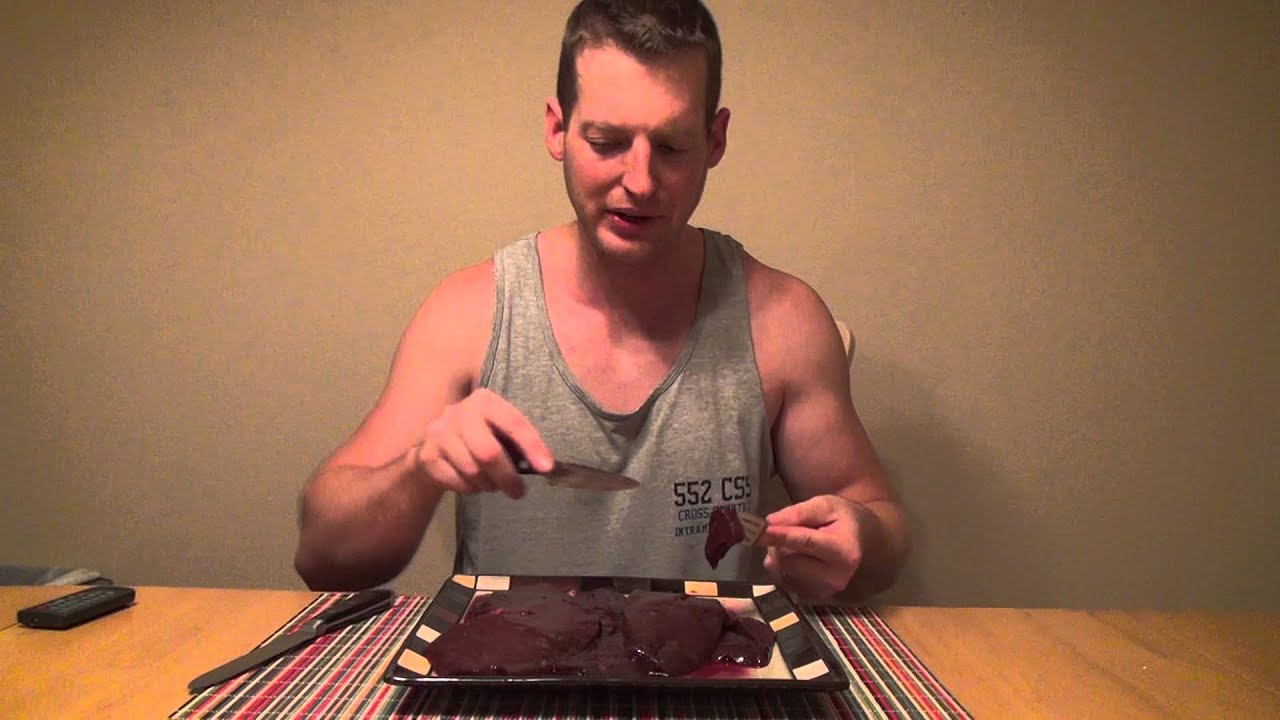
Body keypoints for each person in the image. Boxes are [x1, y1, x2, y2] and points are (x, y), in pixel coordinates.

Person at [294, 0, 908, 603]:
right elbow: (322, 556)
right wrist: (419, 470)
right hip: (505, 663)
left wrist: (860, 539)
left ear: (715, 140)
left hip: (710, 661)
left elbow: (882, 530)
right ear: (557, 130)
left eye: (672, 146)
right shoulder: (470, 313)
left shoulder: (784, 320)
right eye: (607, 141)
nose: (639, 181)